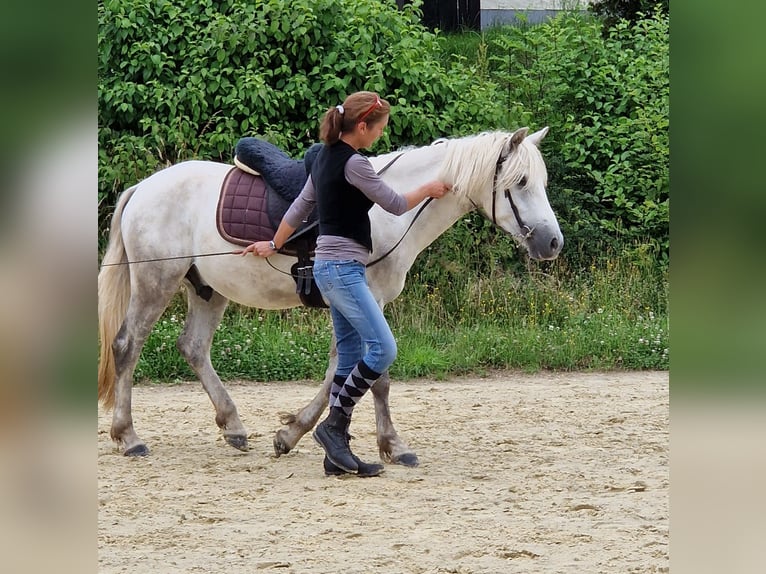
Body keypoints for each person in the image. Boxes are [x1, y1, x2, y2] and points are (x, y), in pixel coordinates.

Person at [240, 91, 451, 476]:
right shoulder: (357, 165)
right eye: (379, 129)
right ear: (362, 126)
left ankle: (335, 454)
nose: (380, 137)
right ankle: (333, 426)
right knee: (383, 349)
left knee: (350, 354)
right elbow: (395, 204)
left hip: (328, 268)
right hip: (342, 271)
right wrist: (429, 190)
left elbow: (300, 207)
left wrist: (274, 242)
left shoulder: (323, 159)